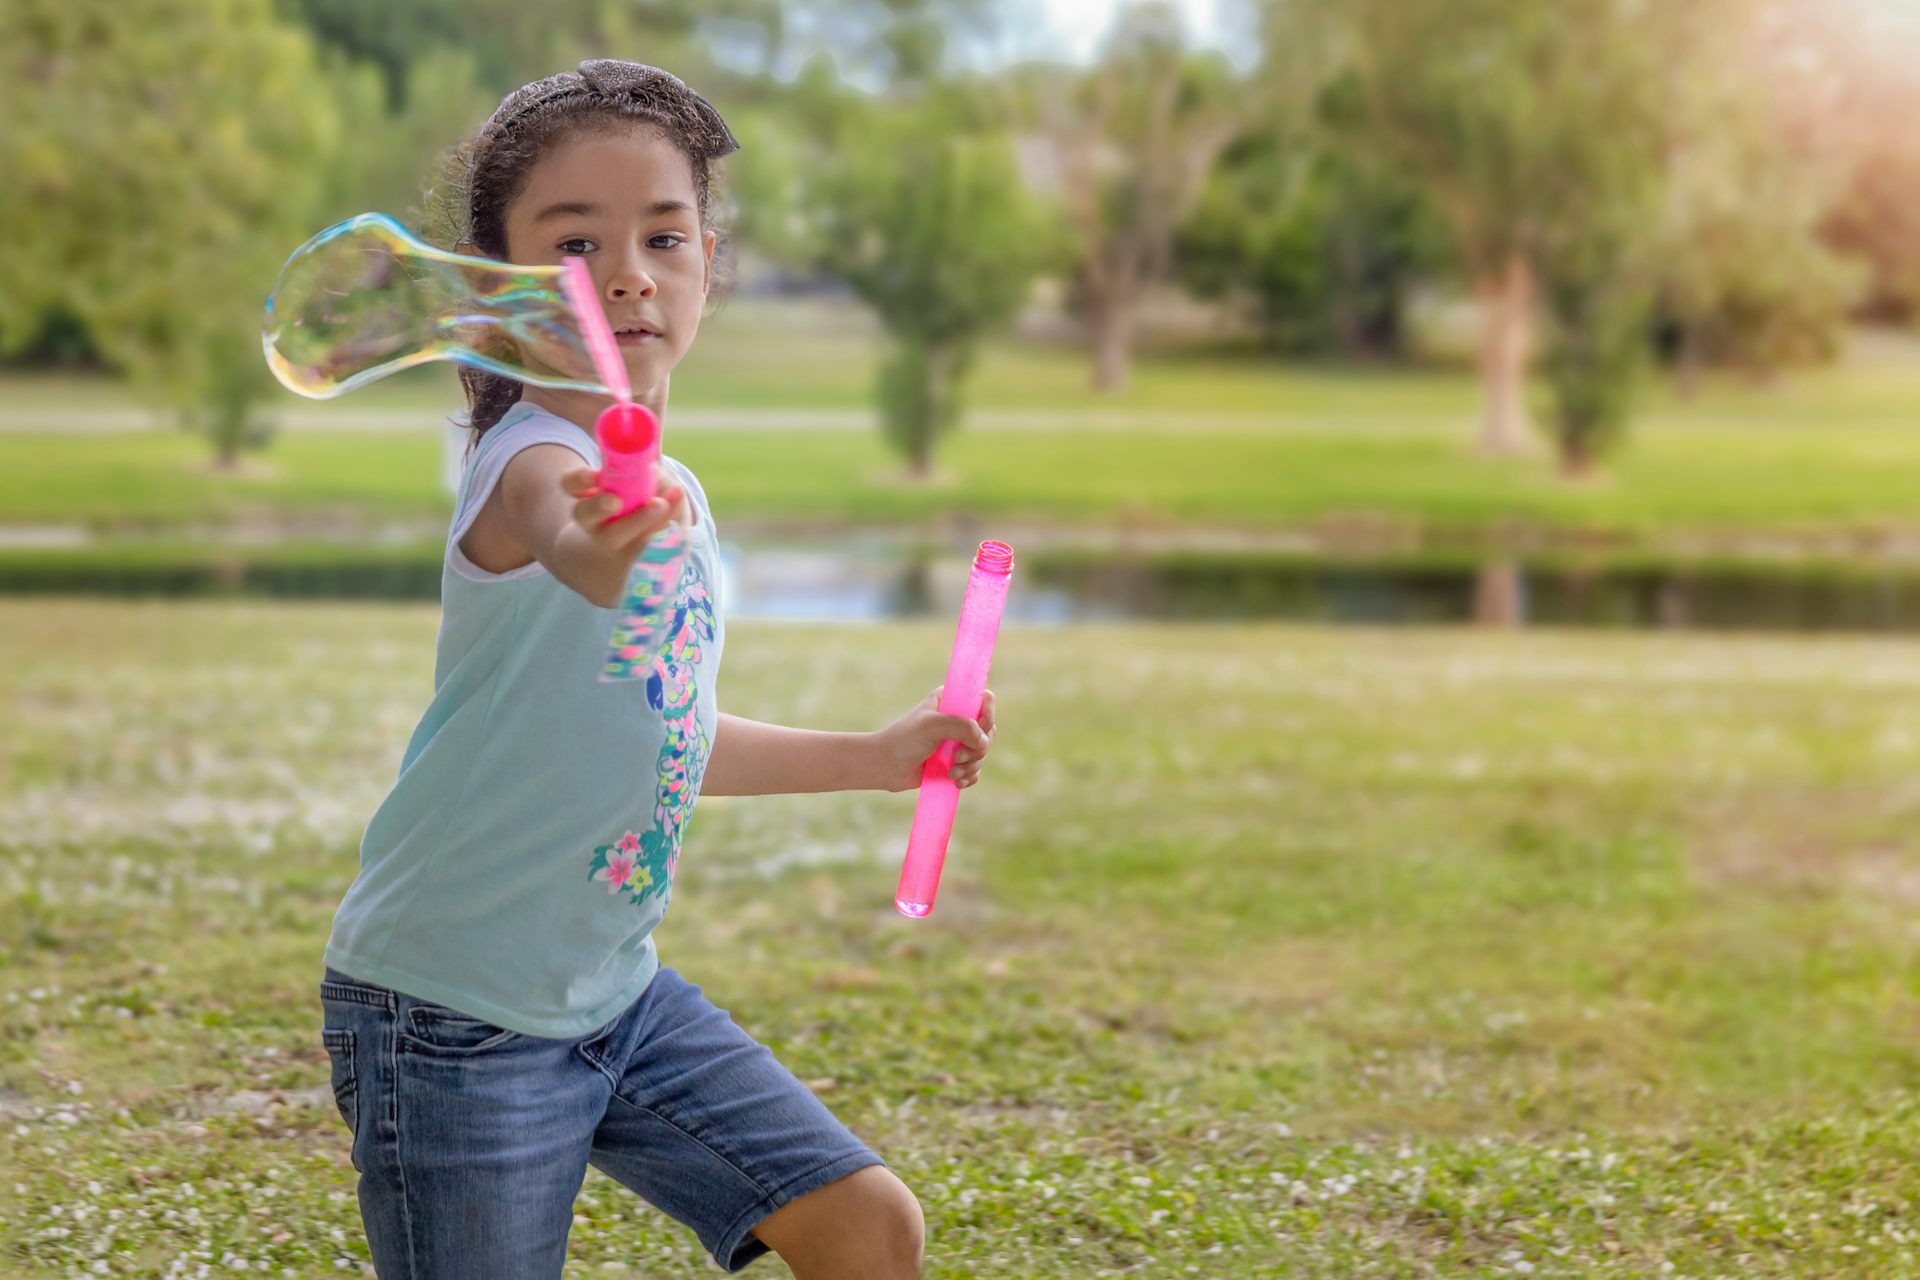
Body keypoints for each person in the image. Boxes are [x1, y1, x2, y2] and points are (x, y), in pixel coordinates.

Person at [316, 59, 997, 1279]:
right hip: (451, 1016)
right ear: (500, 287)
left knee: (868, 1224)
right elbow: (570, 539)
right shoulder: (529, 462)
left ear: (707, 267)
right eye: (577, 245)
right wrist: (599, 542)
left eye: (663, 236)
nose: (628, 272)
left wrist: (880, 757)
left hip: (613, 998)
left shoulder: (677, 494)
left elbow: (663, 729)